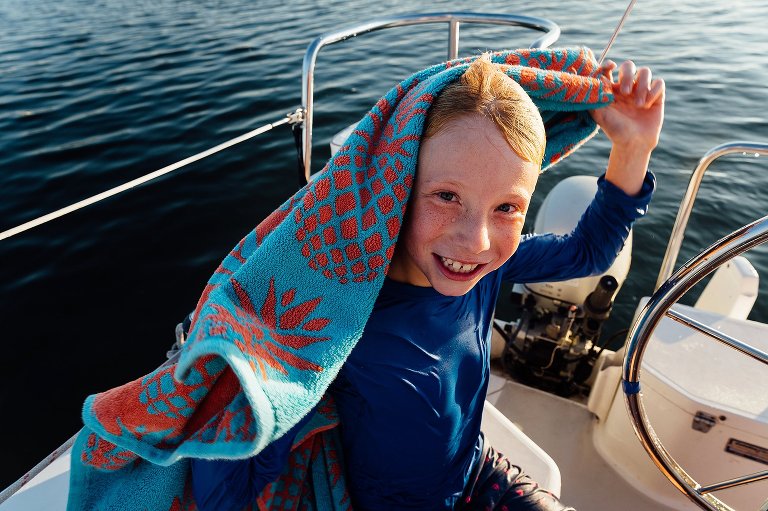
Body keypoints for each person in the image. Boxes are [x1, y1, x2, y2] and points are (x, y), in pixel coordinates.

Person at [190, 55, 664, 510]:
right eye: (445, 196)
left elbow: (588, 252)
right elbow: (227, 491)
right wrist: (237, 363)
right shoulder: (335, 314)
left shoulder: (491, 264)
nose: (475, 242)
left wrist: (633, 148)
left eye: (507, 208)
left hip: (476, 474)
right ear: (396, 189)